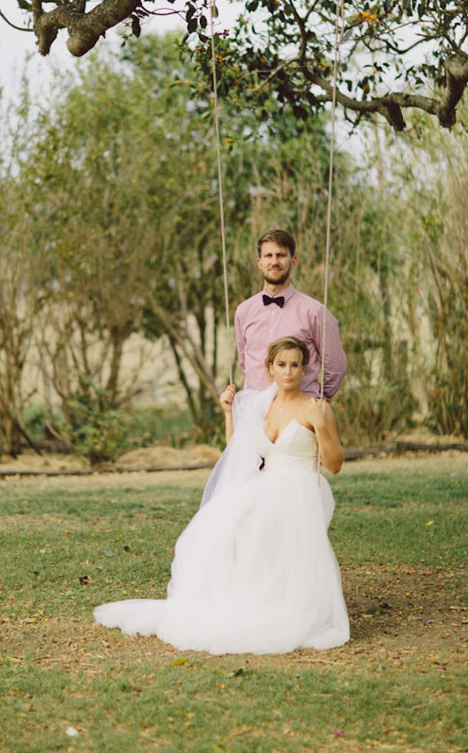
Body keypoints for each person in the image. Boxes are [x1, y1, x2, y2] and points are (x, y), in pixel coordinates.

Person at [93, 336, 350, 655]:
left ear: (304, 368)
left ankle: (286, 605)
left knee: (270, 534)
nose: (288, 372)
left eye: (295, 365)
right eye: (281, 365)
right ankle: (244, 598)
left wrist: (321, 426)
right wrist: (228, 413)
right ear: (269, 368)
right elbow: (240, 451)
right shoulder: (262, 405)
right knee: (222, 527)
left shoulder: (316, 408)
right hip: (265, 486)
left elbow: (335, 464)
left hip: (298, 490)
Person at [235, 229, 347, 396]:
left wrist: (317, 399)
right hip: (255, 412)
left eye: (280, 255)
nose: (274, 261)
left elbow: (336, 366)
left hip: (299, 414)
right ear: (259, 262)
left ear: (293, 261)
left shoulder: (315, 312)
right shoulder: (243, 311)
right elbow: (245, 364)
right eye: (268, 256)